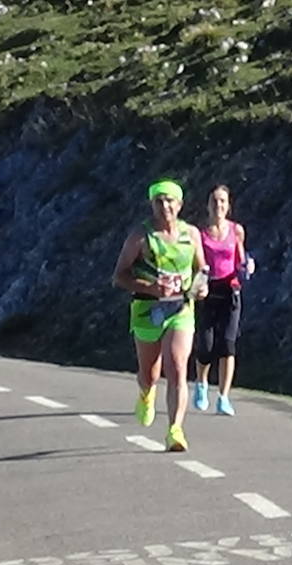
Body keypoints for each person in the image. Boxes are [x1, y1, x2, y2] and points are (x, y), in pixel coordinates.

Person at [111, 179, 208, 452]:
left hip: (180, 309)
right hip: (147, 310)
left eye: (170, 200)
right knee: (150, 373)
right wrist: (151, 287)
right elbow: (119, 276)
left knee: (177, 367)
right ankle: (146, 393)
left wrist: (201, 286)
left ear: (180, 204)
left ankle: (175, 430)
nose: (165, 206)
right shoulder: (140, 237)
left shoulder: (192, 235)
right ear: (152, 204)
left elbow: (202, 268)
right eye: (159, 201)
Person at [192, 185, 254, 416]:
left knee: (228, 344)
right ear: (208, 205)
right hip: (208, 290)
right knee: (206, 346)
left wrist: (247, 266)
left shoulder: (236, 230)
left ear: (228, 205)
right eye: (215, 201)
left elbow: (240, 259)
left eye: (223, 201)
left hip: (230, 290)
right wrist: (198, 284)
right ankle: (201, 383)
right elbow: (196, 264)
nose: (219, 206)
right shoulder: (200, 234)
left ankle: (224, 397)